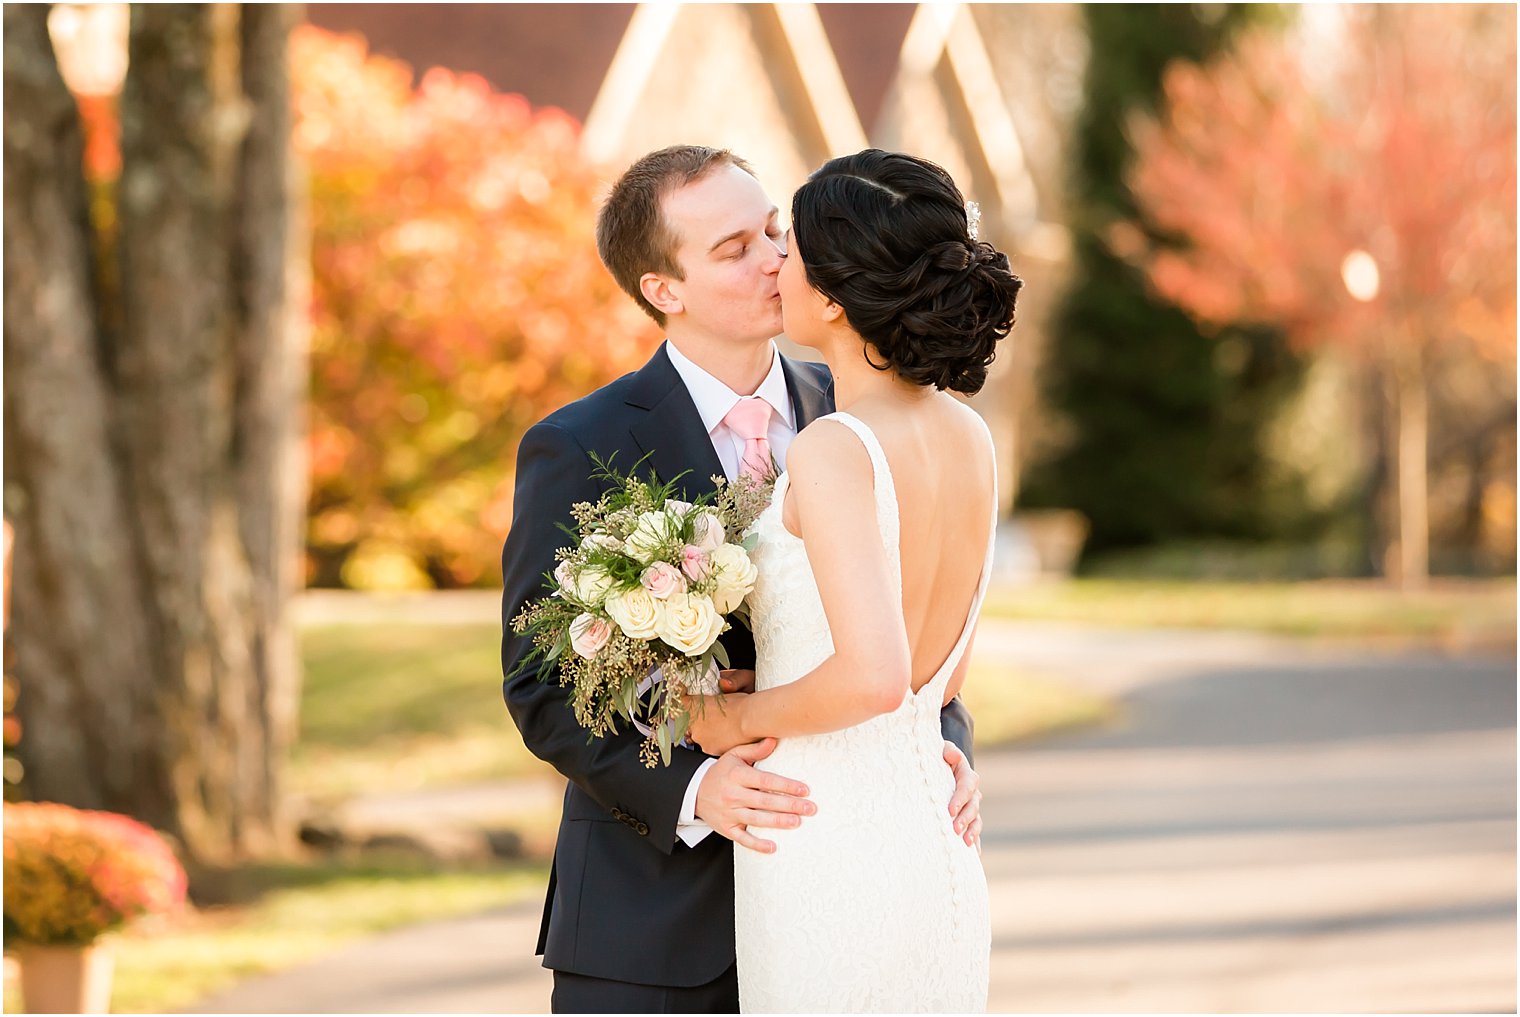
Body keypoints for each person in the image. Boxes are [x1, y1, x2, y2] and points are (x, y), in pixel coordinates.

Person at [499, 145, 984, 1014]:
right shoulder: (580, 444)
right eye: (734, 248)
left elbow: (920, 625)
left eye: (772, 230)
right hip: (651, 923)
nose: (775, 257)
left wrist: (940, 747)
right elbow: (541, 685)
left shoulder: (866, 411)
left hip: (851, 881)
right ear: (664, 290)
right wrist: (693, 784)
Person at [686, 149, 1021, 1012]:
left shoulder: (837, 446)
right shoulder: (970, 436)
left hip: (829, 842)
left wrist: (733, 717)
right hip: (928, 835)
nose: (774, 264)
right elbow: (936, 676)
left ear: (833, 298)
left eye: (787, 247)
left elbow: (875, 675)